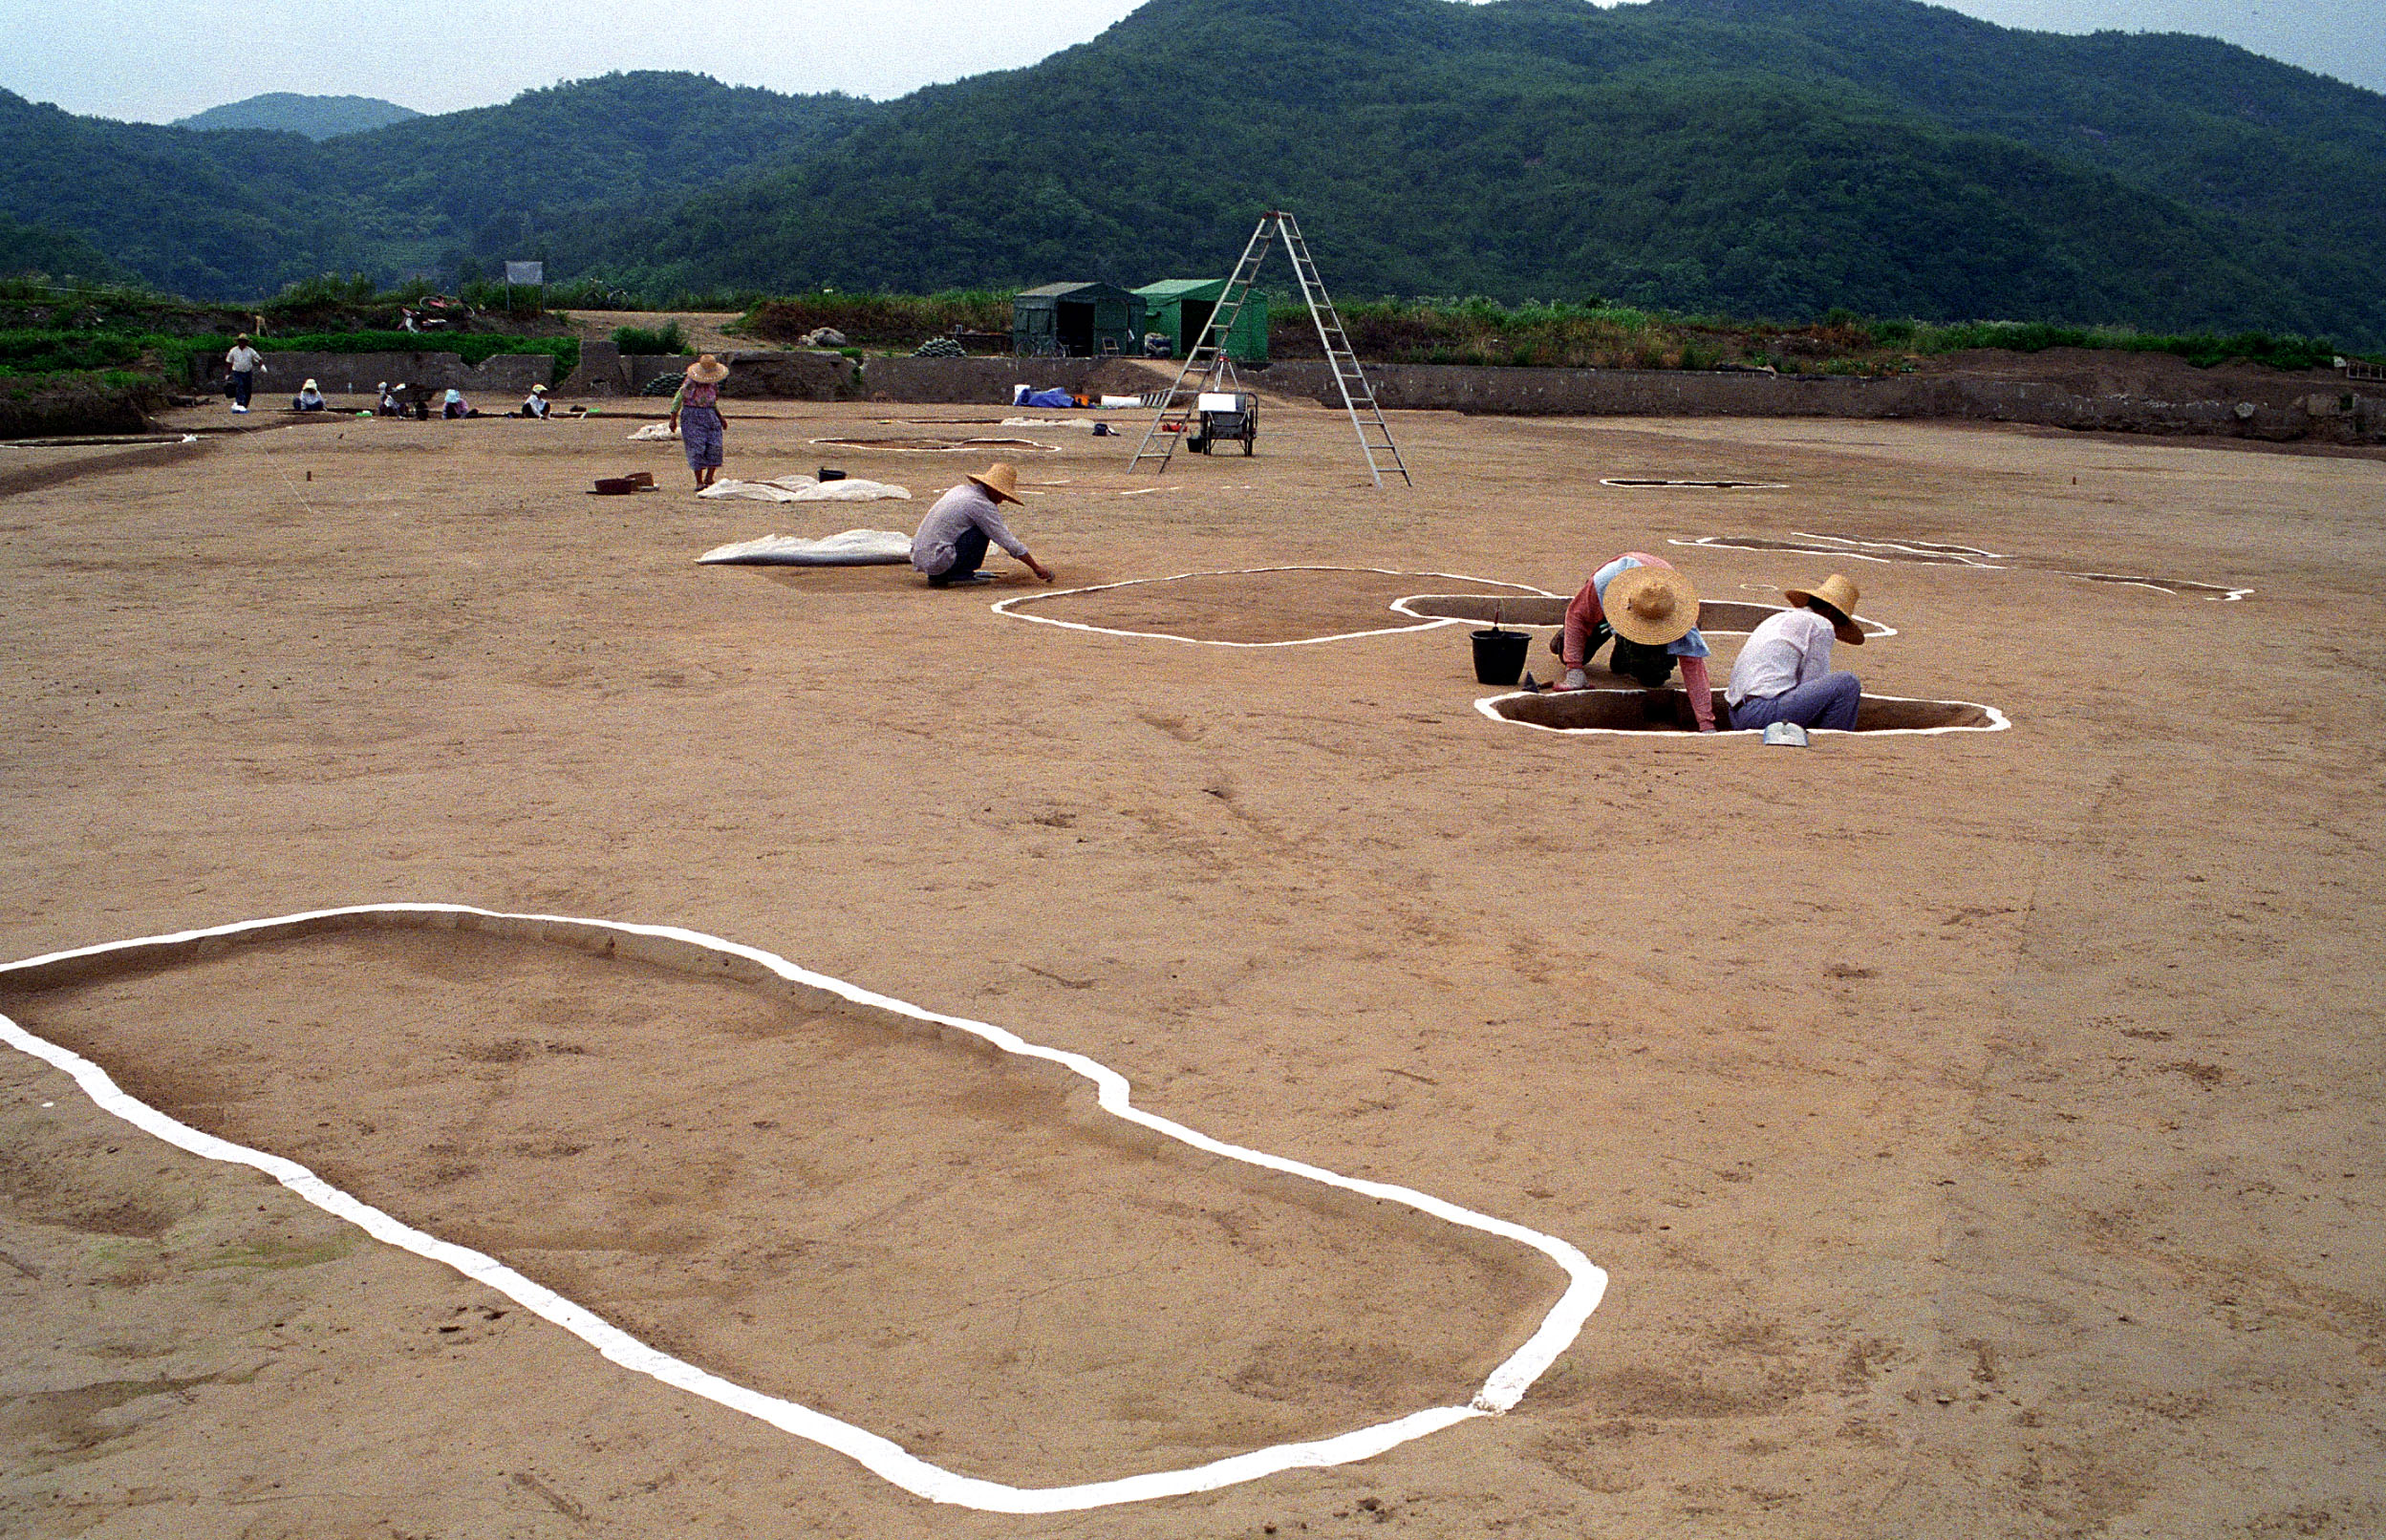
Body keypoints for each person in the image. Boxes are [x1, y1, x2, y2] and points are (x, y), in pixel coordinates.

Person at [1552, 552, 1715, 732]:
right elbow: (1576, 615)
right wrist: (1574, 668)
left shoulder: (1676, 609)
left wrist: (1706, 722)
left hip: (1638, 604)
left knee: (1654, 676)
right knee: (1569, 651)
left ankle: (1623, 651)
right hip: (1608, 611)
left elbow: (1693, 665)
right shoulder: (1606, 581)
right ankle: (1570, 639)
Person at [1725, 573, 1867, 732]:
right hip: (1762, 712)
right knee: (1847, 683)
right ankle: (1830, 739)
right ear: (1831, 613)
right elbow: (1813, 681)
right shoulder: (1822, 624)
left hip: (1735, 715)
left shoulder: (1778, 618)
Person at [910, 462, 1054, 588]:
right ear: (992, 488)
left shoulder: (960, 490)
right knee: (983, 530)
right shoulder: (981, 504)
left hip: (921, 555)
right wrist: (1036, 567)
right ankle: (958, 574)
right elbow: (1006, 540)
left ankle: (952, 572)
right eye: (1002, 494)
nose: (1003, 499)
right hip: (938, 559)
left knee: (976, 527)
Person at [668, 354, 729, 489]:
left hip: (710, 415)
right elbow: (679, 398)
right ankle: (699, 481)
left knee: (715, 445)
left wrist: (720, 417)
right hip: (692, 415)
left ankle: (709, 477)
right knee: (697, 447)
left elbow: (712, 402)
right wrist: (673, 418)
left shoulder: (713, 383)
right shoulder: (690, 382)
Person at [224, 334, 264, 414]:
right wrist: (227, 373)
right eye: (240, 341)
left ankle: (244, 405)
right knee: (239, 386)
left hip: (247, 372)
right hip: (237, 372)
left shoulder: (250, 350)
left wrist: (262, 365)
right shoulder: (233, 350)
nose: (242, 343)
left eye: (244, 342)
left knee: (247, 389)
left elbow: (258, 358)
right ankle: (240, 403)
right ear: (238, 342)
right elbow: (229, 362)